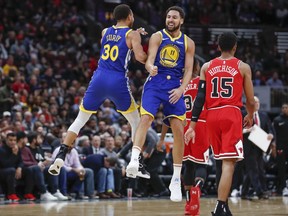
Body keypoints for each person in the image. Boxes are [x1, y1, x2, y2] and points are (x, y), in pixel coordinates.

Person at [48, 4, 147, 176]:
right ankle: (136, 163)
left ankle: (61, 155)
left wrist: (133, 35)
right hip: (117, 80)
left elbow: (116, 39)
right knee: (136, 122)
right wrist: (151, 55)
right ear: (130, 16)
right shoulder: (133, 34)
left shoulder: (105, 31)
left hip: (99, 78)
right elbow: (140, 57)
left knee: (80, 119)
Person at [126, 6, 195, 202]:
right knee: (146, 118)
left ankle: (175, 179)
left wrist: (182, 89)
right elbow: (149, 60)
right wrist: (150, 67)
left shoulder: (188, 42)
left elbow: (189, 69)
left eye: (174, 17)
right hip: (155, 84)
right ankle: (134, 159)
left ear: (181, 20)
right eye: (168, 16)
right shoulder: (157, 36)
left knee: (178, 129)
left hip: (174, 88)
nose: (170, 19)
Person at [185, 32, 255, 216]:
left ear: (217, 47)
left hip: (211, 116)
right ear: (235, 47)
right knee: (228, 164)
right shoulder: (243, 66)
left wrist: (192, 126)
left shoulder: (207, 66)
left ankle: (223, 206)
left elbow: (199, 99)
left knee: (220, 163)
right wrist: (250, 114)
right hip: (231, 113)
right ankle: (221, 205)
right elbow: (250, 99)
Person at [241, 96, 273, 200]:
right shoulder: (243, 114)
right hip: (248, 147)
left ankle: (244, 193)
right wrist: (247, 131)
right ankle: (260, 192)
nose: (257, 104)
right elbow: (237, 130)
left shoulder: (264, 116)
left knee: (257, 170)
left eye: (258, 102)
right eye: (255, 102)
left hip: (260, 146)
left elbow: (270, 129)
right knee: (253, 170)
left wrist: (271, 135)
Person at [273, 103, 288, 196]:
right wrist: (274, 147)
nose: (285, 109)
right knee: (281, 168)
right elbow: (274, 135)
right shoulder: (277, 120)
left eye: (286, 107)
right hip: (281, 148)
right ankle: (283, 188)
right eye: (283, 108)